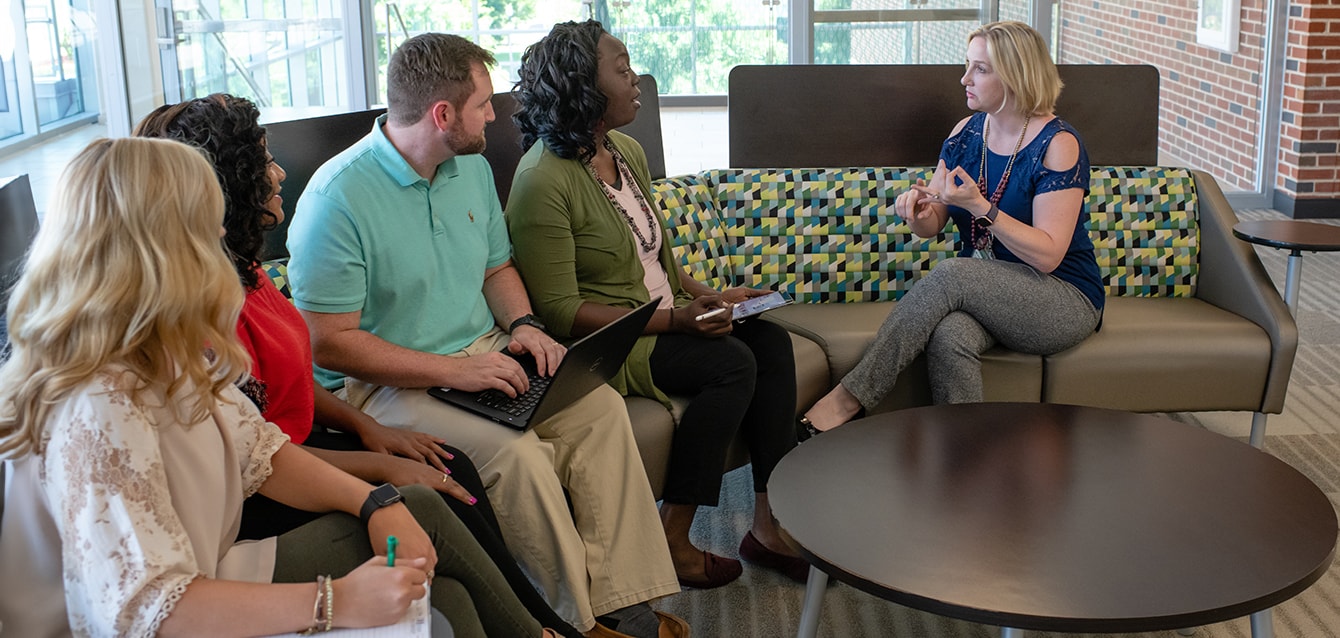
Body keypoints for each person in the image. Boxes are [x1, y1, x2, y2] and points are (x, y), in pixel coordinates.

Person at [0, 137, 556, 638]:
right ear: (161, 246)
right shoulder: (98, 403)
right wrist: (334, 602)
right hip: (174, 607)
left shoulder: (165, 348)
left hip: (204, 568)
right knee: (430, 555)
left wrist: (373, 500)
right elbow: (145, 611)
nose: (221, 234)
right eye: (206, 223)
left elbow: (262, 453)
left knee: (444, 587)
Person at [133, 93, 582, 638]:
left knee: (450, 474)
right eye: (262, 160)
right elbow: (257, 457)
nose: (277, 173)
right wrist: (379, 467)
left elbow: (284, 385)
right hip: (257, 498)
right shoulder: (200, 313)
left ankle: (541, 622)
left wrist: (368, 430)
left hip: (293, 449)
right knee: (438, 487)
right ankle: (545, 629)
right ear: (227, 182)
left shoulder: (245, 272)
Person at [285, 33, 686, 638]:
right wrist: (453, 371)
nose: (495, 115)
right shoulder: (336, 198)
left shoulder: (468, 167)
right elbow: (329, 343)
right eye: (483, 105)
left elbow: (497, 268)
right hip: (391, 385)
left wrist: (524, 326)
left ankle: (622, 603)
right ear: (442, 115)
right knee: (517, 456)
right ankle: (570, 622)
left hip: (485, 356)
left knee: (601, 410)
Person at [505, 21, 810, 589]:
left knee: (768, 341)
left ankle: (768, 525)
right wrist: (675, 321)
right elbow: (559, 311)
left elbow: (657, 260)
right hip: (615, 342)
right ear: (583, 87)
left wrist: (705, 295)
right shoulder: (540, 182)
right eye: (621, 70)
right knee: (732, 364)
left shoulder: (627, 151)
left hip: (666, 316)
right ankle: (674, 533)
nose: (637, 79)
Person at [800, 20, 1104, 434]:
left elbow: (1049, 255)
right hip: (988, 293)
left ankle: (848, 399)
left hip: (1062, 299)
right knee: (949, 332)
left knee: (952, 275)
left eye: (980, 69)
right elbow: (937, 217)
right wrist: (920, 214)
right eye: (967, 65)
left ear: (1015, 75)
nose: (965, 79)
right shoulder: (965, 133)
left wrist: (982, 207)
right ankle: (963, 450)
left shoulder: (1057, 143)